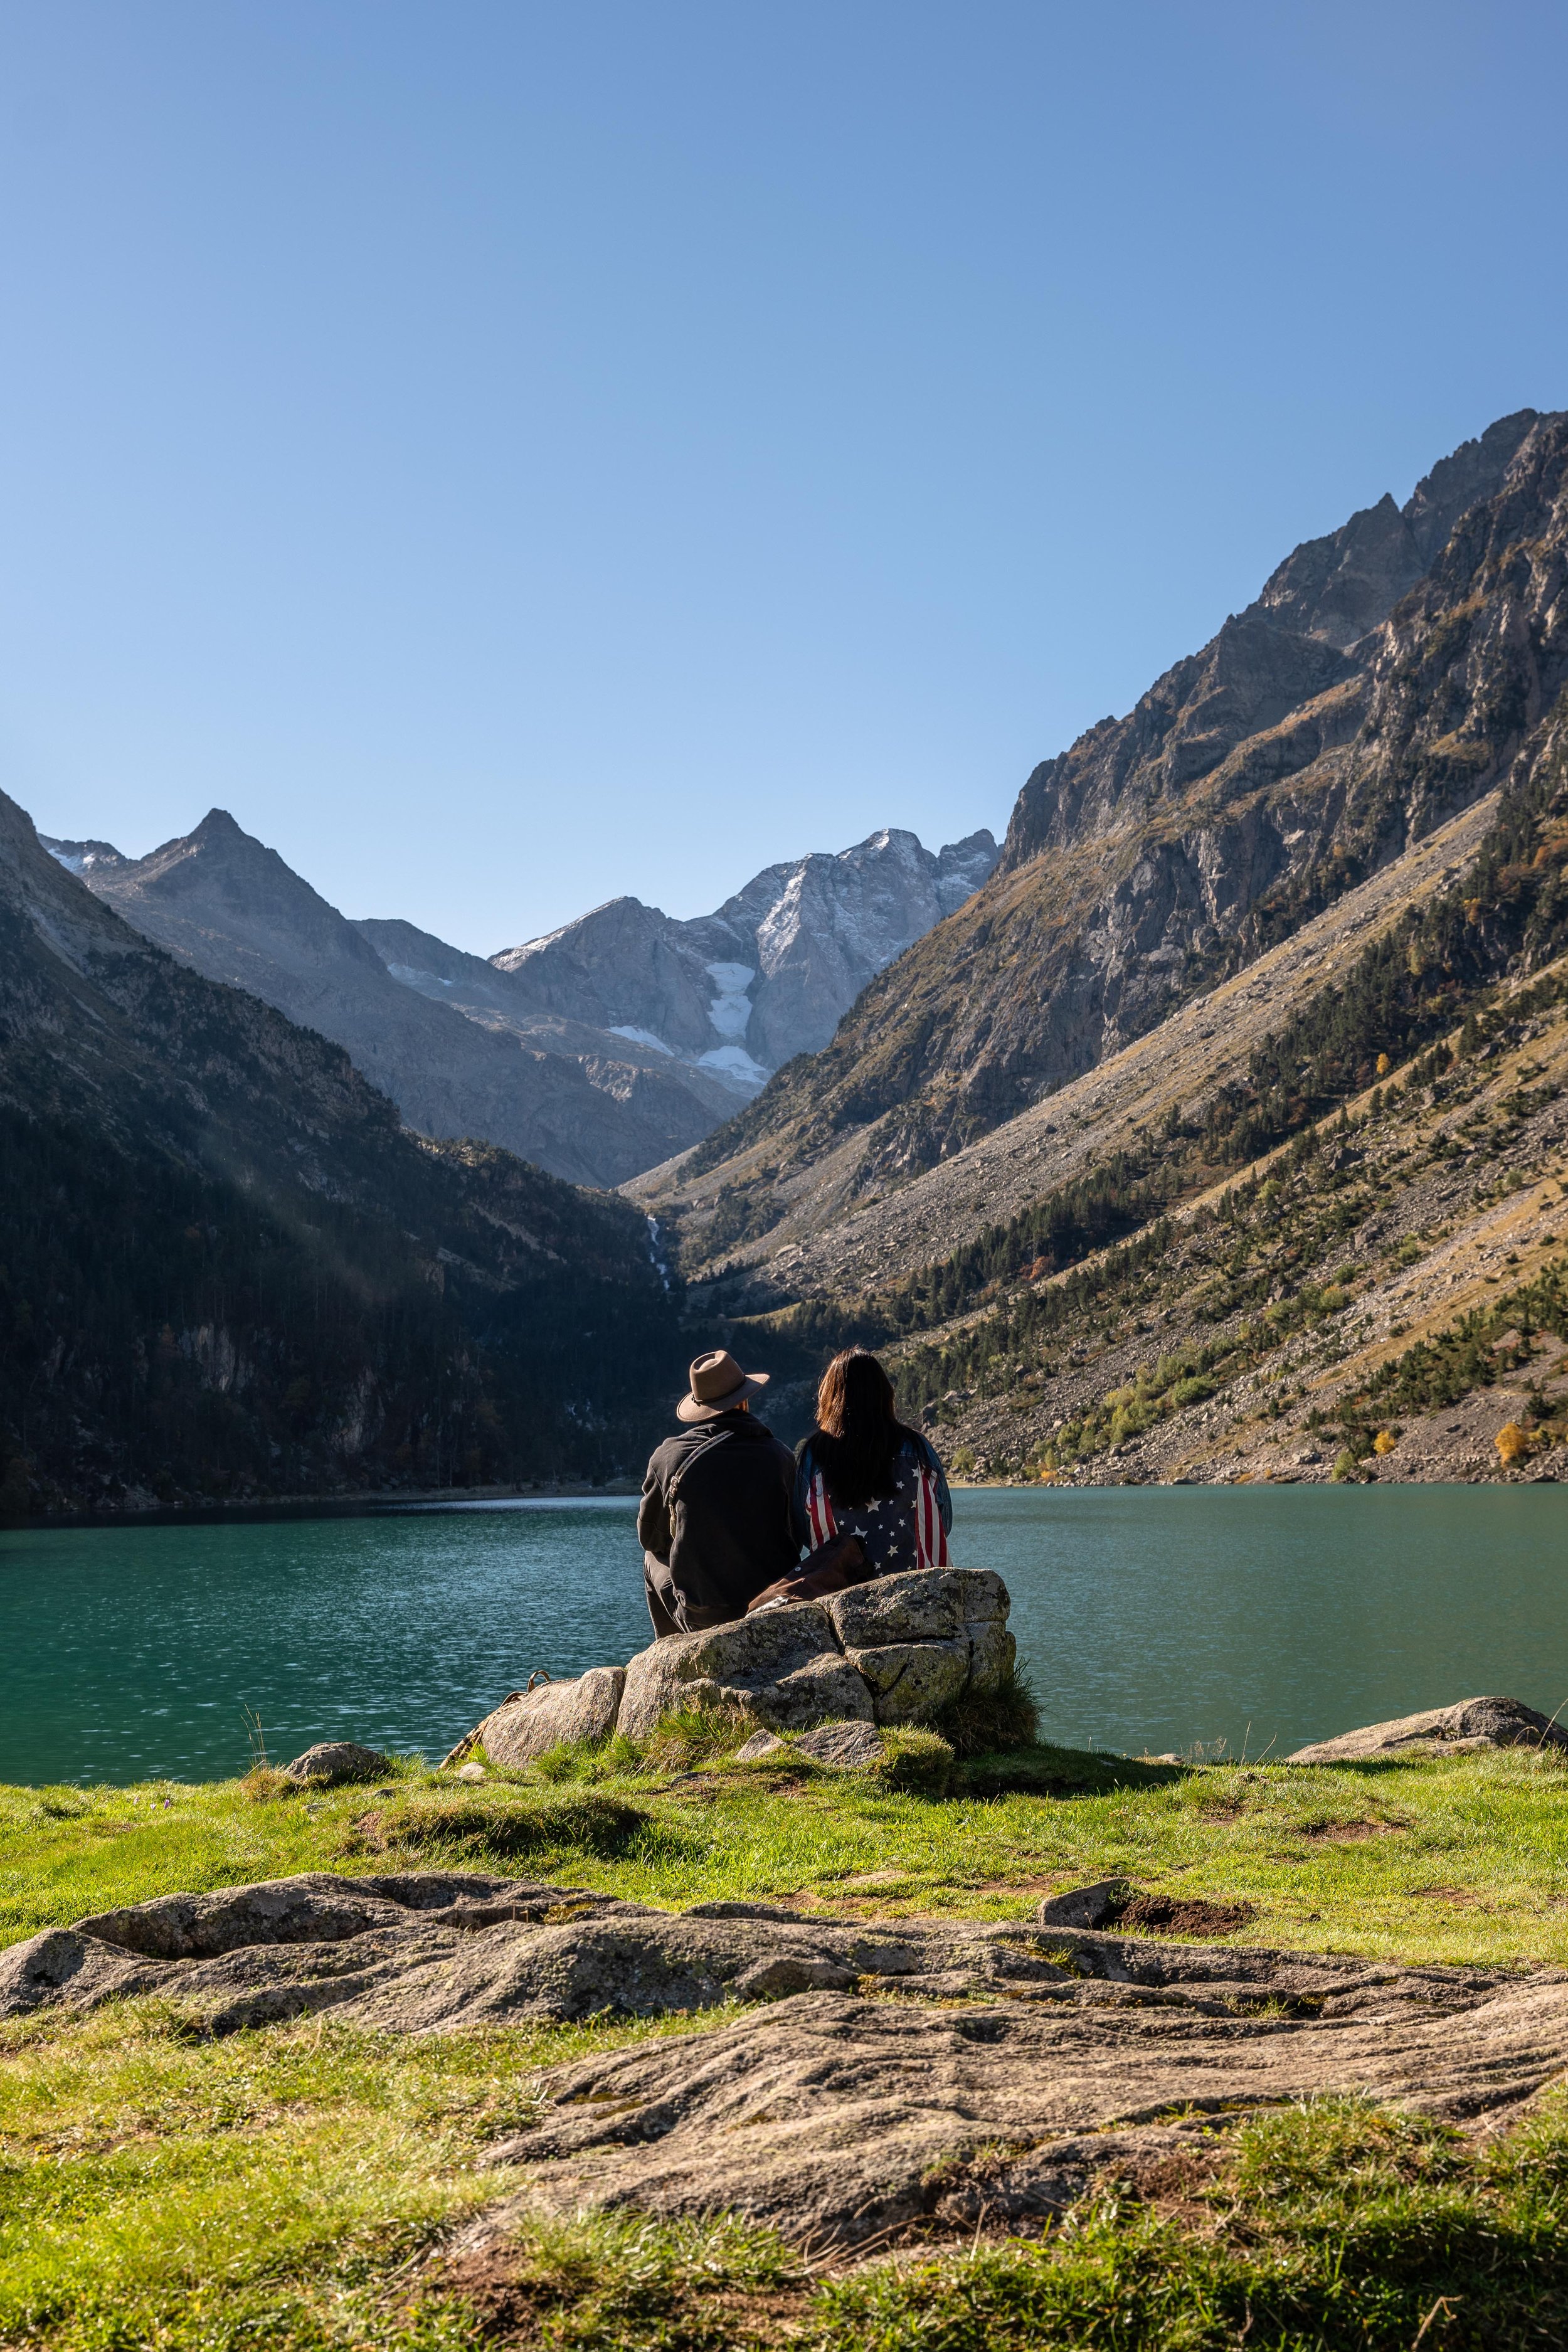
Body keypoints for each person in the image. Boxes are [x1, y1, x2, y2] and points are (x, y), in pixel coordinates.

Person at [637, 1349, 801, 1636]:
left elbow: (650, 1538)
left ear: (699, 1408)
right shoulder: (780, 1456)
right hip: (773, 1603)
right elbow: (797, 1535)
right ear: (744, 1400)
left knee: (652, 1559)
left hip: (704, 1617)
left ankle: (669, 1657)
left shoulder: (669, 1457)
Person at [794, 1349, 952, 1576]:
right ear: (884, 1394)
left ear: (829, 1398)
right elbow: (944, 1521)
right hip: (920, 1593)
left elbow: (803, 1532)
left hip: (839, 1596)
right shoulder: (917, 1448)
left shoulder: (814, 1455)